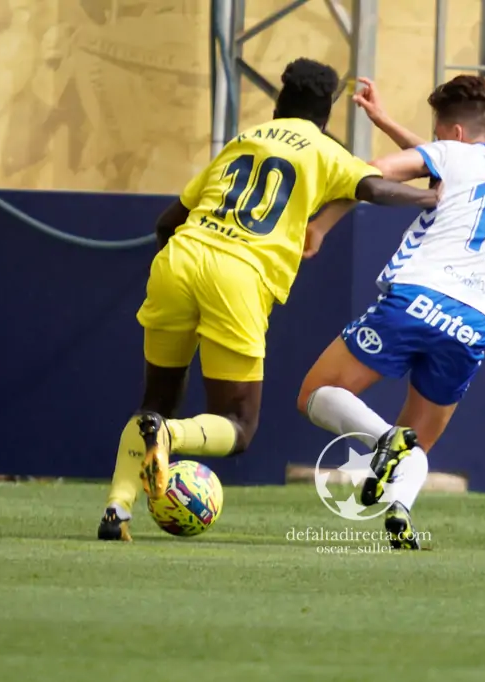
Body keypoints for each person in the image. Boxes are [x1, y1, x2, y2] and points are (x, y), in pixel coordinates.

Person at [98, 59, 439, 541]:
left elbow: (165, 223)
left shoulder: (244, 139)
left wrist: (181, 268)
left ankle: (118, 507)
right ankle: (169, 438)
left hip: (179, 257)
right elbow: (375, 188)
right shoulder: (325, 149)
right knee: (237, 424)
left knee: (155, 401)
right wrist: (430, 200)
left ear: (279, 104)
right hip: (237, 275)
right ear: (325, 115)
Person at [297, 75, 485, 550]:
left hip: (418, 298)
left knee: (315, 393)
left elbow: (371, 171)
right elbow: (447, 156)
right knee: (415, 444)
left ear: (456, 133)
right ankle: (401, 510)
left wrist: (320, 226)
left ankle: (385, 441)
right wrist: (385, 120)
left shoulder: (451, 154)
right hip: (474, 323)